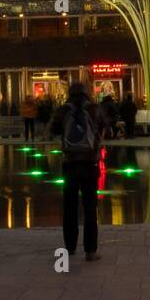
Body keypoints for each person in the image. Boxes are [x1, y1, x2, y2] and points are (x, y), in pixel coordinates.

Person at [49, 82, 110, 261]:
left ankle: (70, 247)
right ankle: (90, 250)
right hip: (90, 164)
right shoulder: (94, 109)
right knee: (90, 208)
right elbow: (106, 127)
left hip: (70, 164)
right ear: (86, 93)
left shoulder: (63, 111)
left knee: (70, 207)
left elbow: (52, 131)